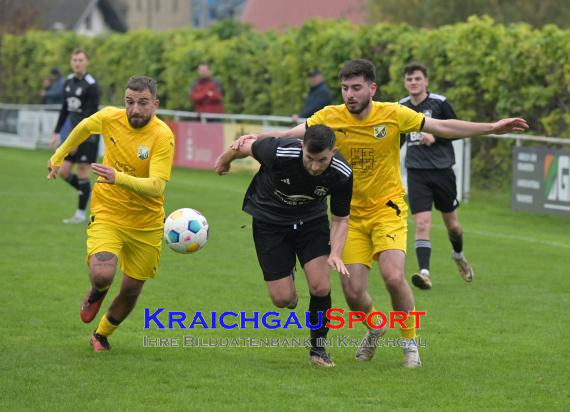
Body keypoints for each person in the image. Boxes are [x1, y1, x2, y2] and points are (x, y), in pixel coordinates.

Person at [232, 59, 528, 368]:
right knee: (353, 291)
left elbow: (443, 127)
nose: (350, 94)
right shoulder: (329, 117)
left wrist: (492, 128)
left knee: (392, 275)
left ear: (372, 88)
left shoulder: (393, 114)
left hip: (388, 209)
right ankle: (375, 326)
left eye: (356, 88)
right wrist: (251, 139)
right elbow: (289, 135)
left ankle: (410, 342)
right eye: (345, 88)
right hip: (350, 217)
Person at [47, 76, 175, 352]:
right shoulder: (110, 118)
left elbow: (156, 186)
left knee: (131, 290)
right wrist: (59, 155)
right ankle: (98, 290)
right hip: (109, 211)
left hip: (147, 222)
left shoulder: (162, 135)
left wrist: (118, 177)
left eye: (142, 103)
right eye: (129, 102)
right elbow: (83, 127)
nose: (135, 110)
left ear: (155, 104)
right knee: (103, 274)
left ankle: (101, 334)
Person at [215, 125, 353, 368]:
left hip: (311, 222)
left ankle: (318, 350)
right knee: (282, 299)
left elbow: (340, 218)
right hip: (270, 221)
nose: (314, 166)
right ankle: (288, 278)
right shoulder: (279, 151)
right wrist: (224, 160)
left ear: (334, 152)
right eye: (309, 158)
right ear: (302, 147)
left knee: (320, 286)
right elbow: (244, 146)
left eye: (322, 160)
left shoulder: (341, 173)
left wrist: (336, 253)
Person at [400, 63, 474, 290]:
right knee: (421, 223)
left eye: (417, 79)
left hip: (442, 171)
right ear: (405, 82)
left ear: (426, 81)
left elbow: (455, 130)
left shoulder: (440, 103)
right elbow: (397, 138)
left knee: (453, 225)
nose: (413, 82)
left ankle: (458, 254)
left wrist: (436, 137)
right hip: (416, 172)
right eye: (410, 79)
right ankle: (425, 273)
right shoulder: (400, 107)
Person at [49, 48, 101, 224]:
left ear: (87, 62)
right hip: (73, 134)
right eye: (75, 60)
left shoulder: (92, 85)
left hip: (89, 135)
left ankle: (80, 214)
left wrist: (78, 140)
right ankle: (89, 192)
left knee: (81, 171)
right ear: (71, 62)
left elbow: (89, 116)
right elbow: (65, 109)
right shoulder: (68, 82)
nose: (77, 63)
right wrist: (56, 132)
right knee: (63, 172)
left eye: (80, 60)